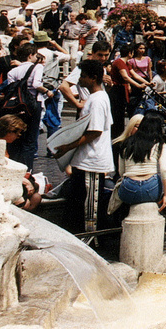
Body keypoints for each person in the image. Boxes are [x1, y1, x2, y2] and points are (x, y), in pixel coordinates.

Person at [53, 60, 113, 236]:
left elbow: (95, 131)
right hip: (84, 159)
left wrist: (68, 146)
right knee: (78, 201)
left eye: (83, 76)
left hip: (93, 161)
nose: (80, 79)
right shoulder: (94, 98)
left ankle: (91, 238)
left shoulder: (98, 100)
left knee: (90, 207)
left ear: (93, 78)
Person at [114, 110, 166, 211]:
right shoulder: (160, 145)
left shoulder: (127, 143)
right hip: (151, 188)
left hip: (128, 189)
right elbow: (165, 170)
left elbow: (121, 171)